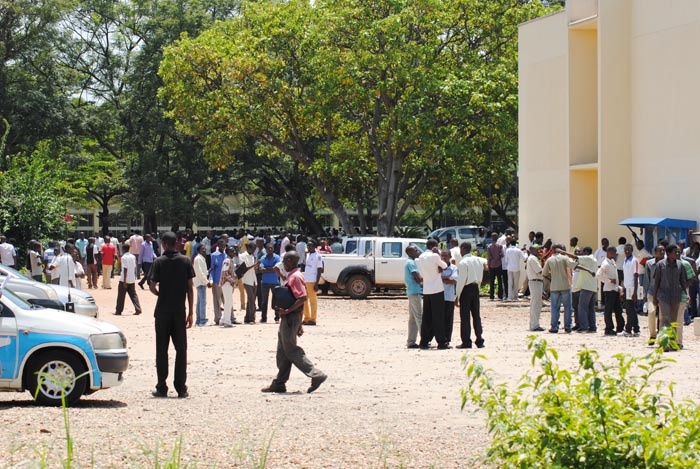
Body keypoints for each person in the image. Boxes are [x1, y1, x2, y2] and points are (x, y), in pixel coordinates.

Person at [261, 251, 327, 394]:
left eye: (285, 260)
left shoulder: (296, 277)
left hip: (290, 317)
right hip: (290, 318)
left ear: (290, 261)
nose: (283, 263)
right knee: (282, 351)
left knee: (290, 350)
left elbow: (302, 298)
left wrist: (288, 311)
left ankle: (316, 374)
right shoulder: (293, 275)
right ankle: (279, 382)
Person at [149, 232, 195, 398]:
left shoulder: (159, 262)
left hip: (162, 311)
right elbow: (190, 288)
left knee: (161, 350)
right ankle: (181, 387)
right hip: (179, 311)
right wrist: (191, 312)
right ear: (177, 243)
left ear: (163, 243)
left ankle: (162, 386)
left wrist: (161, 294)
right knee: (181, 349)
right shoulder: (185, 261)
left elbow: (152, 286)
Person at [653, 244, 689, 350]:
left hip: (676, 297)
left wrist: (686, 295)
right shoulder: (660, 265)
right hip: (663, 296)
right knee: (665, 319)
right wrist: (655, 297)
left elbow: (683, 281)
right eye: (675, 252)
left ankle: (672, 343)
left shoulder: (680, 265)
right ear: (669, 253)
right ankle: (664, 343)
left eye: (678, 252)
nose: (677, 254)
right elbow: (656, 282)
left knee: (673, 321)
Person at [416, 239, 449, 349]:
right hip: (437, 289)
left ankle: (424, 341)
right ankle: (441, 342)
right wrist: (438, 254)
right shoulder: (435, 256)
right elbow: (444, 266)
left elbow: (421, 273)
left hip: (426, 290)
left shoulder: (420, 257)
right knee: (438, 316)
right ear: (435, 246)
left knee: (427, 316)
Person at [559, 247, 598, 333]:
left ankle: (583, 326)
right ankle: (592, 326)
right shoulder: (594, 259)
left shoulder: (587, 258)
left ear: (586, 252)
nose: (581, 254)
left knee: (582, 307)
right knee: (591, 308)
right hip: (592, 287)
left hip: (586, 287)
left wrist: (563, 252)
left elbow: (575, 257)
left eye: (583, 252)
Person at [455, 242, 485, 348]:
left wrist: (457, 295)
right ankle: (479, 339)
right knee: (476, 315)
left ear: (463, 249)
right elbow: (481, 275)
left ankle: (466, 341)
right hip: (475, 287)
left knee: (465, 316)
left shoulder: (463, 262)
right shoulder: (478, 260)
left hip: (466, 289)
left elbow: (461, 280)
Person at [542, 245, 577, 333]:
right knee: (567, 307)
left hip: (554, 286)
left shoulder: (549, 260)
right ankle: (567, 326)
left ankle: (554, 327)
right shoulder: (565, 258)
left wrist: (552, 278)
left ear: (552, 250)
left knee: (554, 307)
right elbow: (573, 265)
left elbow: (544, 273)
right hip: (565, 285)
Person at [597, 246, 625, 336]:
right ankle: (608, 328)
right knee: (608, 310)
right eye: (613, 252)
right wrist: (609, 280)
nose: (614, 254)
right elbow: (598, 275)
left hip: (615, 289)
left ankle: (620, 327)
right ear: (608, 252)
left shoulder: (612, 262)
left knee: (618, 309)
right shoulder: (605, 263)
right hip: (609, 290)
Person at [644, 246, 665, 345]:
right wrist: (645, 293)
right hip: (652, 292)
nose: (662, 252)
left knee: (662, 315)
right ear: (655, 252)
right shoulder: (649, 263)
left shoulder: (667, 263)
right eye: (660, 251)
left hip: (664, 293)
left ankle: (661, 336)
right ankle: (652, 335)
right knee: (651, 313)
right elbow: (647, 279)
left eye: (663, 251)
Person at [114, 243, 142, 316]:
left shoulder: (124, 257)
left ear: (123, 249)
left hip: (124, 279)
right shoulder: (133, 257)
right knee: (133, 295)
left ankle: (118, 311)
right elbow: (134, 267)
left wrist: (125, 281)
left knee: (121, 296)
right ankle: (138, 309)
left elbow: (125, 269)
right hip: (132, 278)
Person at [404, 245, 423, 349]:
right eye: (416, 250)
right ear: (410, 252)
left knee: (412, 318)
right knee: (419, 316)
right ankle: (424, 339)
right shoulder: (411, 263)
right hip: (415, 292)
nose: (418, 251)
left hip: (411, 291)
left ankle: (411, 341)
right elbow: (417, 277)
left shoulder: (409, 262)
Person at [621, 244, 641, 337]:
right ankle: (636, 329)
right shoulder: (625, 260)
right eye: (626, 250)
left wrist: (635, 292)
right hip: (627, 288)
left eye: (629, 250)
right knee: (631, 310)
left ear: (632, 250)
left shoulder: (634, 260)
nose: (627, 252)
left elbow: (636, 276)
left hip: (632, 289)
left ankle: (628, 330)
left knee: (630, 310)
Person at [303, 240, 324, 326]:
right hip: (306, 280)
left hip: (312, 280)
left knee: (313, 301)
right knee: (304, 300)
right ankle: (306, 317)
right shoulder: (308, 255)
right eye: (308, 246)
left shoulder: (318, 256)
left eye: (310, 246)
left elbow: (320, 270)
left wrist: (316, 283)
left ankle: (313, 319)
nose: (308, 248)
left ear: (314, 247)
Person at [259, 243, 281, 323]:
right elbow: (261, 269)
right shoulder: (263, 258)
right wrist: (271, 269)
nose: (270, 250)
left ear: (273, 249)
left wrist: (267, 269)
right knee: (264, 301)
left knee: (276, 300)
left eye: (271, 248)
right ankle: (264, 318)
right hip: (265, 282)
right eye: (268, 248)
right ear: (266, 249)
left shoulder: (277, 257)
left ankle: (277, 317)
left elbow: (276, 268)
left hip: (275, 282)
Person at [440, 250, 458, 345]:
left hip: (450, 296)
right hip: (439, 296)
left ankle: (447, 339)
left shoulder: (454, 268)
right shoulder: (438, 268)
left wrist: (443, 278)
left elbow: (454, 280)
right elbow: (438, 277)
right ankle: (440, 338)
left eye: (446, 256)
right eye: (442, 255)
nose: (443, 257)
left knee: (448, 319)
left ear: (450, 256)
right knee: (439, 318)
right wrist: (447, 278)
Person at [525, 246, 544, 331]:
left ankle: (534, 324)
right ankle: (534, 325)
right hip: (536, 281)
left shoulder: (532, 258)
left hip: (535, 282)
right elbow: (540, 271)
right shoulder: (533, 259)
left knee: (535, 303)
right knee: (536, 304)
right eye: (536, 249)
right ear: (531, 250)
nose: (538, 251)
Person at [241, 243, 260, 323]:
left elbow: (253, 269)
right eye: (252, 249)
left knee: (251, 300)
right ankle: (252, 318)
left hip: (253, 280)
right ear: (249, 248)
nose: (253, 251)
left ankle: (247, 318)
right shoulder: (242, 256)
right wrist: (255, 264)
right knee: (252, 300)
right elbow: (244, 268)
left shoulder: (252, 256)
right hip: (246, 280)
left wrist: (256, 266)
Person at [209, 239, 227, 325]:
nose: (223, 247)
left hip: (225, 281)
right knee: (217, 300)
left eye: (224, 245)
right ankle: (218, 318)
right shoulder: (214, 255)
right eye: (221, 245)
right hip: (216, 281)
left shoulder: (226, 255)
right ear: (218, 245)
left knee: (227, 300)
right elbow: (212, 269)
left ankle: (228, 317)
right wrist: (211, 280)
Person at [219, 246, 238, 328]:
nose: (234, 252)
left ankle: (223, 319)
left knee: (227, 302)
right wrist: (233, 280)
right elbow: (225, 272)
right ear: (229, 252)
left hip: (228, 283)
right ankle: (227, 321)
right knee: (228, 302)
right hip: (227, 283)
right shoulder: (227, 260)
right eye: (232, 251)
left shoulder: (230, 260)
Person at [193, 244, 211, 326]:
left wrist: (208, 271)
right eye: (203, 249)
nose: (204, 250)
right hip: (200, 282)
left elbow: (203, 271)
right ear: (199, 250)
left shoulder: (201, 258)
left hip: (200, 282)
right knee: (202, 302)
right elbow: (199, 272)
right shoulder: (198, 259)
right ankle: (202, 321)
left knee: (200, 302)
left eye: (205, 248)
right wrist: (206, 282)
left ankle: (199, 320)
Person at [486, 233, 506, 300]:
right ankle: (500, 295)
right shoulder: (500, 246)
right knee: (499, 280)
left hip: (492, 265)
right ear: (497, 238)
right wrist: (498, 257)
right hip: (499, 265)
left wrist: (488, 266)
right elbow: (502, 255)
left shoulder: (489, 246)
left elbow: (489, 257)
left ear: (492, 237)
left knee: (492, 281)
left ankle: (491, 296)